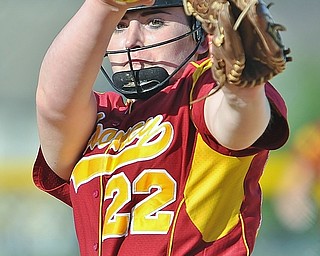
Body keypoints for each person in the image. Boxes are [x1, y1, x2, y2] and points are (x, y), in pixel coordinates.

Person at [33, 0, 289, 255]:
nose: (131, 41)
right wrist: (105, 5)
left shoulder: (198, 91)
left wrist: (243, 88)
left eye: (155, 22)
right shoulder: (101, 115)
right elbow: (53, 102)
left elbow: (235, 125)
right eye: (120, 26)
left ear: (200, 37)